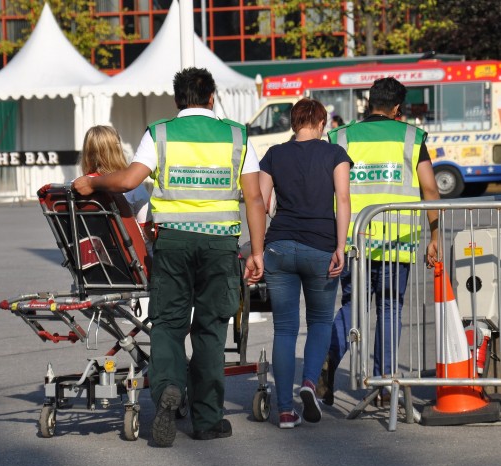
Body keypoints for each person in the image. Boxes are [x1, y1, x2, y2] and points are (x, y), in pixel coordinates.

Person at [72, 67, 266, 446]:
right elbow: (255, 198)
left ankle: (167, 394)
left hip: (172, 243)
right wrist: (256, 252)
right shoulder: (237, 135)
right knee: (210, 330)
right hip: (219, 247)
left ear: (178, 100)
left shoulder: (159, 133)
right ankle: (208, 420)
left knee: (168, 325)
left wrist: (94, 181)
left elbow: (128, 181)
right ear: (212, 97)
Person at [321, 77, 440, 406]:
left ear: (369, 103)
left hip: (352, 240)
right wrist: (434, 234)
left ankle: (326, 360)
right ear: (398, 108)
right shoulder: (411, 137)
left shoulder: (341, 136)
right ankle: (384, 386)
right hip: (395, 241)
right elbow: (430, 188)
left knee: (351, 307)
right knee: (389, 309)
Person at [258, 98, 352, 429]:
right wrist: (341, 246)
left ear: (293, 122)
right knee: (320, 322)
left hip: (280, 246)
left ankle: (284, 410)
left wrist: (270, 225)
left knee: (284, 328)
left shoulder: (273, 154)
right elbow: (342, 199)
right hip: (320, 247)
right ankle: (310, 382)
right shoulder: (334, 154)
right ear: (322, 123)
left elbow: (261, 199)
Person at [79, 125, 154, 253]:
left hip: (92, 258)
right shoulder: (133, 188)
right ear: (117, 150)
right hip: (132, 261)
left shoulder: (75, 188)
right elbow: (149, 235)